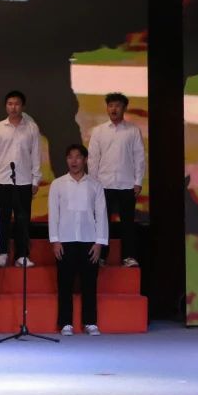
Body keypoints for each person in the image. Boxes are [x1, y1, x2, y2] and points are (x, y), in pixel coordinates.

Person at [49, 144, 108, 336]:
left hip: (89, 240)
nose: (74, 161)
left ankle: (90, 322)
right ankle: (65, 323)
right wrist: (55, 240)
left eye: (78, 157)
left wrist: (99, 243)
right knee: (64, 283)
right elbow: (54, 214)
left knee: (89, 284)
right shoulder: (57, 184)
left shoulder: (95, 185)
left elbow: (101, 215)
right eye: (70, 157)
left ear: (85, 160)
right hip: (65, 240)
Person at [0, 90, 42, 268]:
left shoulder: (32, 128)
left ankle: (21, 255)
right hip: (2, 180)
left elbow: (36, 155)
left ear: (22, 106)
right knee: (1, 218)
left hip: (24, 181)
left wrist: (35, 179)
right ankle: (1, 252)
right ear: (6, 106)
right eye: (10, 104)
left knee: (22, 220)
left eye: (17, 104)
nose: (13, 107)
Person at [87, 92, 144, 268]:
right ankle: (101, 256)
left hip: (127, 184)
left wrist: (138, 181)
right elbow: (93, 159)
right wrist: (93, 183)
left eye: (118, 106)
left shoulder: (133, 131)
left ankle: (128, 256)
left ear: (124, 108)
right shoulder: (99, 131)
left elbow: (139, 157)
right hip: (103, 184)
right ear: (107, 108)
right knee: (103, 223)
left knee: (128, 223)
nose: (114, 109)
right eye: (111, 105)